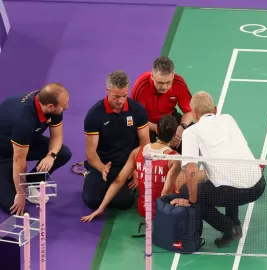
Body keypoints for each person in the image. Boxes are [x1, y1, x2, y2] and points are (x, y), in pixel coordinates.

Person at [170, 91, 266, 248]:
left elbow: (192, 171)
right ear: (215, 109)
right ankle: (233, 220)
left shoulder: (191, 132)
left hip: (234, 192)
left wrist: (192, 201)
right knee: (224, 176)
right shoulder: (228, 119)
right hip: (258, 185)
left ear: (194, 114)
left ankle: (229, 228)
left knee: (188, 191)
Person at [80, 114, 182, 222]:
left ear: (157, 130)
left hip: (144, 209)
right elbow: (167, 191)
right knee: (194, 176)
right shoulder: (174, 158)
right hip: (163, 211)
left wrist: (101, 208)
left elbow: (118, 181)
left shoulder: (137, 151)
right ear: (175, 134)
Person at [82, 70, 150, 211]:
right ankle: (90, 176)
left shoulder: (137, 110)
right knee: (92, 201)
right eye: (116, 97)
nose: (120, 101)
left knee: (123, 202)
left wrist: (138, 170)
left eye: (124, 96)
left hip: (127, 165)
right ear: (107, 90)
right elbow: (90, 152)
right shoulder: (95, 115)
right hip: (102, 163)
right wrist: (101, 168)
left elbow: (145, 144)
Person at [0, 84, 72, 215]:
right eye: (63, 106)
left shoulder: (49, 102)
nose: (66, 107)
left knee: (62, 153)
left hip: (26, 141)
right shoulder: (24, 120)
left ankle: (30, 183)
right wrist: (20, 194)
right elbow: (19, 160)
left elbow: (57, 137)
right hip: (4, 152)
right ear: (50, 106)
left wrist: (51, 155)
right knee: (13, 206)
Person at [130, 56, 193, 153]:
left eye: (168, 82)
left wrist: (180, 129)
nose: (165, 87)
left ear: (173, 76)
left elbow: (189, 111)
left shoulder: (178, 82)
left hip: (168, 117)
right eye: (160, 83)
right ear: (152, 76)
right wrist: (157, 129)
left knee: (191, 133)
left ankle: (187, 164)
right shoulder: (142, 86)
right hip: (147, 122)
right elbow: (135, 118)